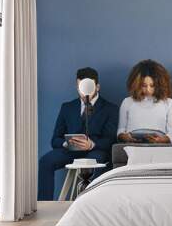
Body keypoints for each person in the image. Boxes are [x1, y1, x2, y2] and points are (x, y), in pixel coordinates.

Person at [38, 67, 119, 200]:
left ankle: (92, 204)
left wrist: (92, 144)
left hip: (96, 151)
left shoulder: (110, 109)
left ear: (97, 87)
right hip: (70, 151)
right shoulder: (67, 107)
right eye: (80, 87)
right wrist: (67, 143)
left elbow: (111, 139)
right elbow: (55, 140)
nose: (84, 91)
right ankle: (44, 203)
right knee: (45, 162)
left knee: (97, 163)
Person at [117, 59, 172, 144]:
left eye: (152, 85)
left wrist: (161, 140)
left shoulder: (169, 103)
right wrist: (126, 137)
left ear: (160, 84)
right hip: (133, 146)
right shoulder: (127, 102)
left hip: (159, 146)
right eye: (144, 85)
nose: (148, 90)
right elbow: (121, 130)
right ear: (137, 84)